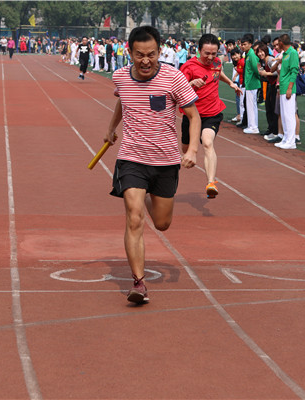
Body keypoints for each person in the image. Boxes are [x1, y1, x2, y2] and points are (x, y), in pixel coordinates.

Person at [105, 26, 201, 304]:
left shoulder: (174, 78)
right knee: (134, 217)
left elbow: (193, 116)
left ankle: (150, 200)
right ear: (129, 52)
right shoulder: (120, 76)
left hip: (166, 161)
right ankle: (138, 282)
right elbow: (123, 101)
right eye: (139, 55)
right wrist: (111, 128)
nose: (145, 60)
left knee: (162, 223)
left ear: (160, 51)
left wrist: (192, 149)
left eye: (151, 54)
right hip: (131, 158)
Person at [180, 33, 241, 199]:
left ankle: (211, 183)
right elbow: (178, 88)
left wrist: (230, 83)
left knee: (207, 142)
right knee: (185, 150)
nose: (210, 57)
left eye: (214, 53)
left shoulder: (217, 63)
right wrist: (191, 83)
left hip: (212, 112)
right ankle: (190, 153)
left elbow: (218, 72)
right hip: (192, 115)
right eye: (207, 53)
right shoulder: (188, 67)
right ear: (199, 50)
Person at [274, 34, 300, 149]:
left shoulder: (292, 53)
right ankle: (286, 138)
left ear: (281, 43)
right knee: (284, 115)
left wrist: (290, 88)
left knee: (289, 115)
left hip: (288, 88)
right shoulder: (284, 54)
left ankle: (291, 141)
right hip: (283, 87)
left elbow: (294, 71)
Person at [240, 35, 261, 134]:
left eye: (245, 44)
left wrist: (257, 78)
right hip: (249, 83)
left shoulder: (252, 55)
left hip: (252, 83)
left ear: (250, 44)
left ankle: (253, 127)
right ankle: (252, 125)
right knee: (250, 105)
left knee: (251, 106)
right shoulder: (248, 54)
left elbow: (256, 70)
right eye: (242, 44)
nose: (242, 46)